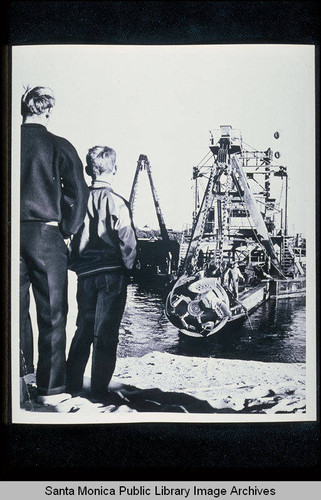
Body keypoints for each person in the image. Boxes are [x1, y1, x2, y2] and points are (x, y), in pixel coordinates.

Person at [20, 86, 89, 405]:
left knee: (13, 313)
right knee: (51, 313)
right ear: (47, 111)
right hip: (46, 235)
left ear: (23, 109)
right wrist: (69, 229)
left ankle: (20, 380)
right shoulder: (58, 145)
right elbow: (78, 191)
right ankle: (49, 390)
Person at [66, 146, 137, 403]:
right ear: (115, 169)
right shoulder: (117, 201)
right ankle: (98, 390)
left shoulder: (78, 202)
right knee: (105, 334)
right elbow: (127, 241)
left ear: (88, 170)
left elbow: (70, 238)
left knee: (83, 330)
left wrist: (76, 264)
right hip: (111, 276)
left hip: (85, 276)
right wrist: (128, 267)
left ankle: (71, 383)